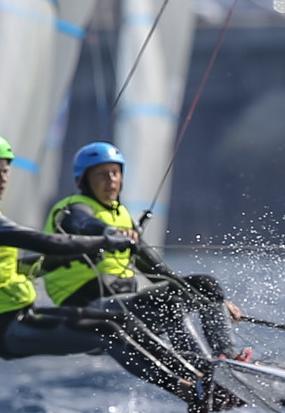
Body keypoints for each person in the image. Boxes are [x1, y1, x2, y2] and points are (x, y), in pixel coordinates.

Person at [0, 133, 233, 413]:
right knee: (111, 330)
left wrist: (52, 263)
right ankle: (191, 386)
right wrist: (104, 240)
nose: (2, 179)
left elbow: (6, 268)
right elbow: (41, 239)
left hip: (22, 316)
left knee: (120, 323)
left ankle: (200, 375)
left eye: (6, 171)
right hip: (4, 329)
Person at [42, 141, 247, 371]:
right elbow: (83, 223)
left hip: (127, 304)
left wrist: (213, 304)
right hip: (86, 310)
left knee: (205, 285)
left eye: (115, 173)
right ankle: (200, 368)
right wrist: (109, 234)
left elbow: (159, 273)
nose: (110, 180)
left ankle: (226, 358)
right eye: (101, 174)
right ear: (84, 180)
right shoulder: (70, 209)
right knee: (169, 304)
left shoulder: (122, 217)